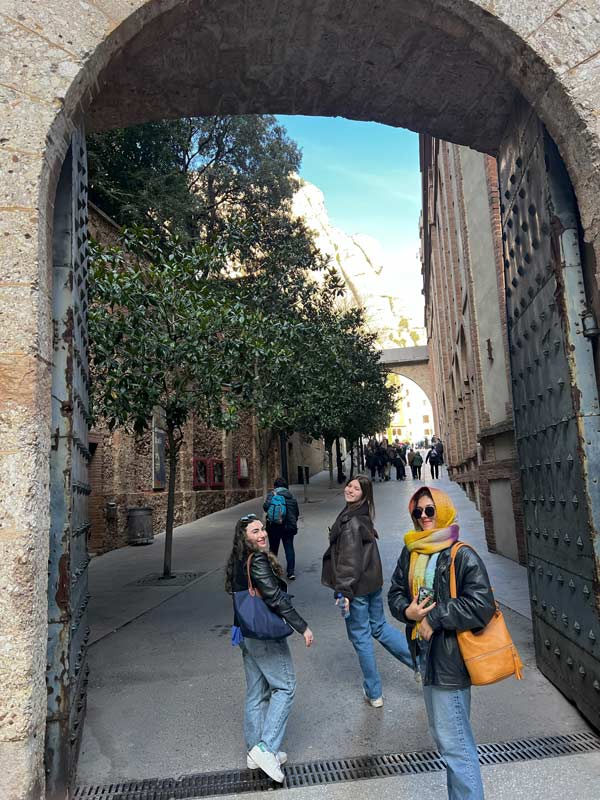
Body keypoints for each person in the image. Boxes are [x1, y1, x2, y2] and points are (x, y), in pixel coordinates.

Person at [388, 487, 495, 800]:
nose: (423, 517)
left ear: (443, 510)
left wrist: (435, 618)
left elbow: (481, 605)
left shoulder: (461, 554)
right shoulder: (412, 551)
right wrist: (407, 611)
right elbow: (395, 592)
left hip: (451, 661)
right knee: (447, 745)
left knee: (457, 747)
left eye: (429, 510)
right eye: (418, 511)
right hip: (425, 657)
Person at [225, 513, 314, 783]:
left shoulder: (238, 560)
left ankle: (254, 751)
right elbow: (274, 597)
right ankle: (266, 747)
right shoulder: (258, 560)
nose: (262, 534)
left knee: (256, 692)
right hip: (264, 634)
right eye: (255, 531)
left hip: (247, 633)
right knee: (285, 687)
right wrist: (302, 626)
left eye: (262, 529)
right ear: (245, 538)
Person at [321, 475, 415, 707]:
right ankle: (421, 663)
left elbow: (349, 562)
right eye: (349, 485)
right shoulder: (360, 515)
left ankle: (374, 693)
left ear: (365, 494)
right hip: (372, 584)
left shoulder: (351, 522)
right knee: (380, 628)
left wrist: (343, 592)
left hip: (356, 589)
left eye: (356, 488)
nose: (350, 490)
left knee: (361, 637)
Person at [263, 477, 300, 580]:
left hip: (274, 526)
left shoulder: (272, 495)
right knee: (289, 548)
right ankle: (291, 572)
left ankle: (273, 570)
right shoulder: (291, 497)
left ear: (275, 486)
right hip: (288, 527)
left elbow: (265, 507)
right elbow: (296, 513)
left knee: (273, 549)